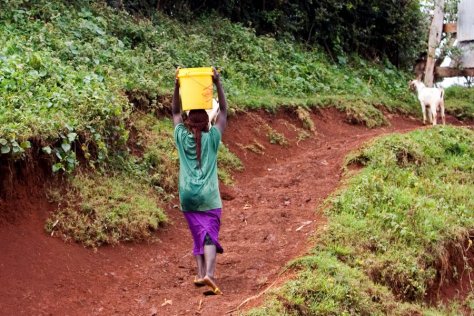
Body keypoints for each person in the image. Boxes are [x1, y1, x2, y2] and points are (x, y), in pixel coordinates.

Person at [172, 67, 227, 295]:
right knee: (209, 234)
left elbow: (175, 111)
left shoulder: (181, 137)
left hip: (186, 196)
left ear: (187, 123)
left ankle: (199, 272)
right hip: (209, 196)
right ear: (207, 123)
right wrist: (217, 83)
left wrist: (177, 85)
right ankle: (210, 275)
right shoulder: (213, 138)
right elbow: (223, 110)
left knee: (197, 231)